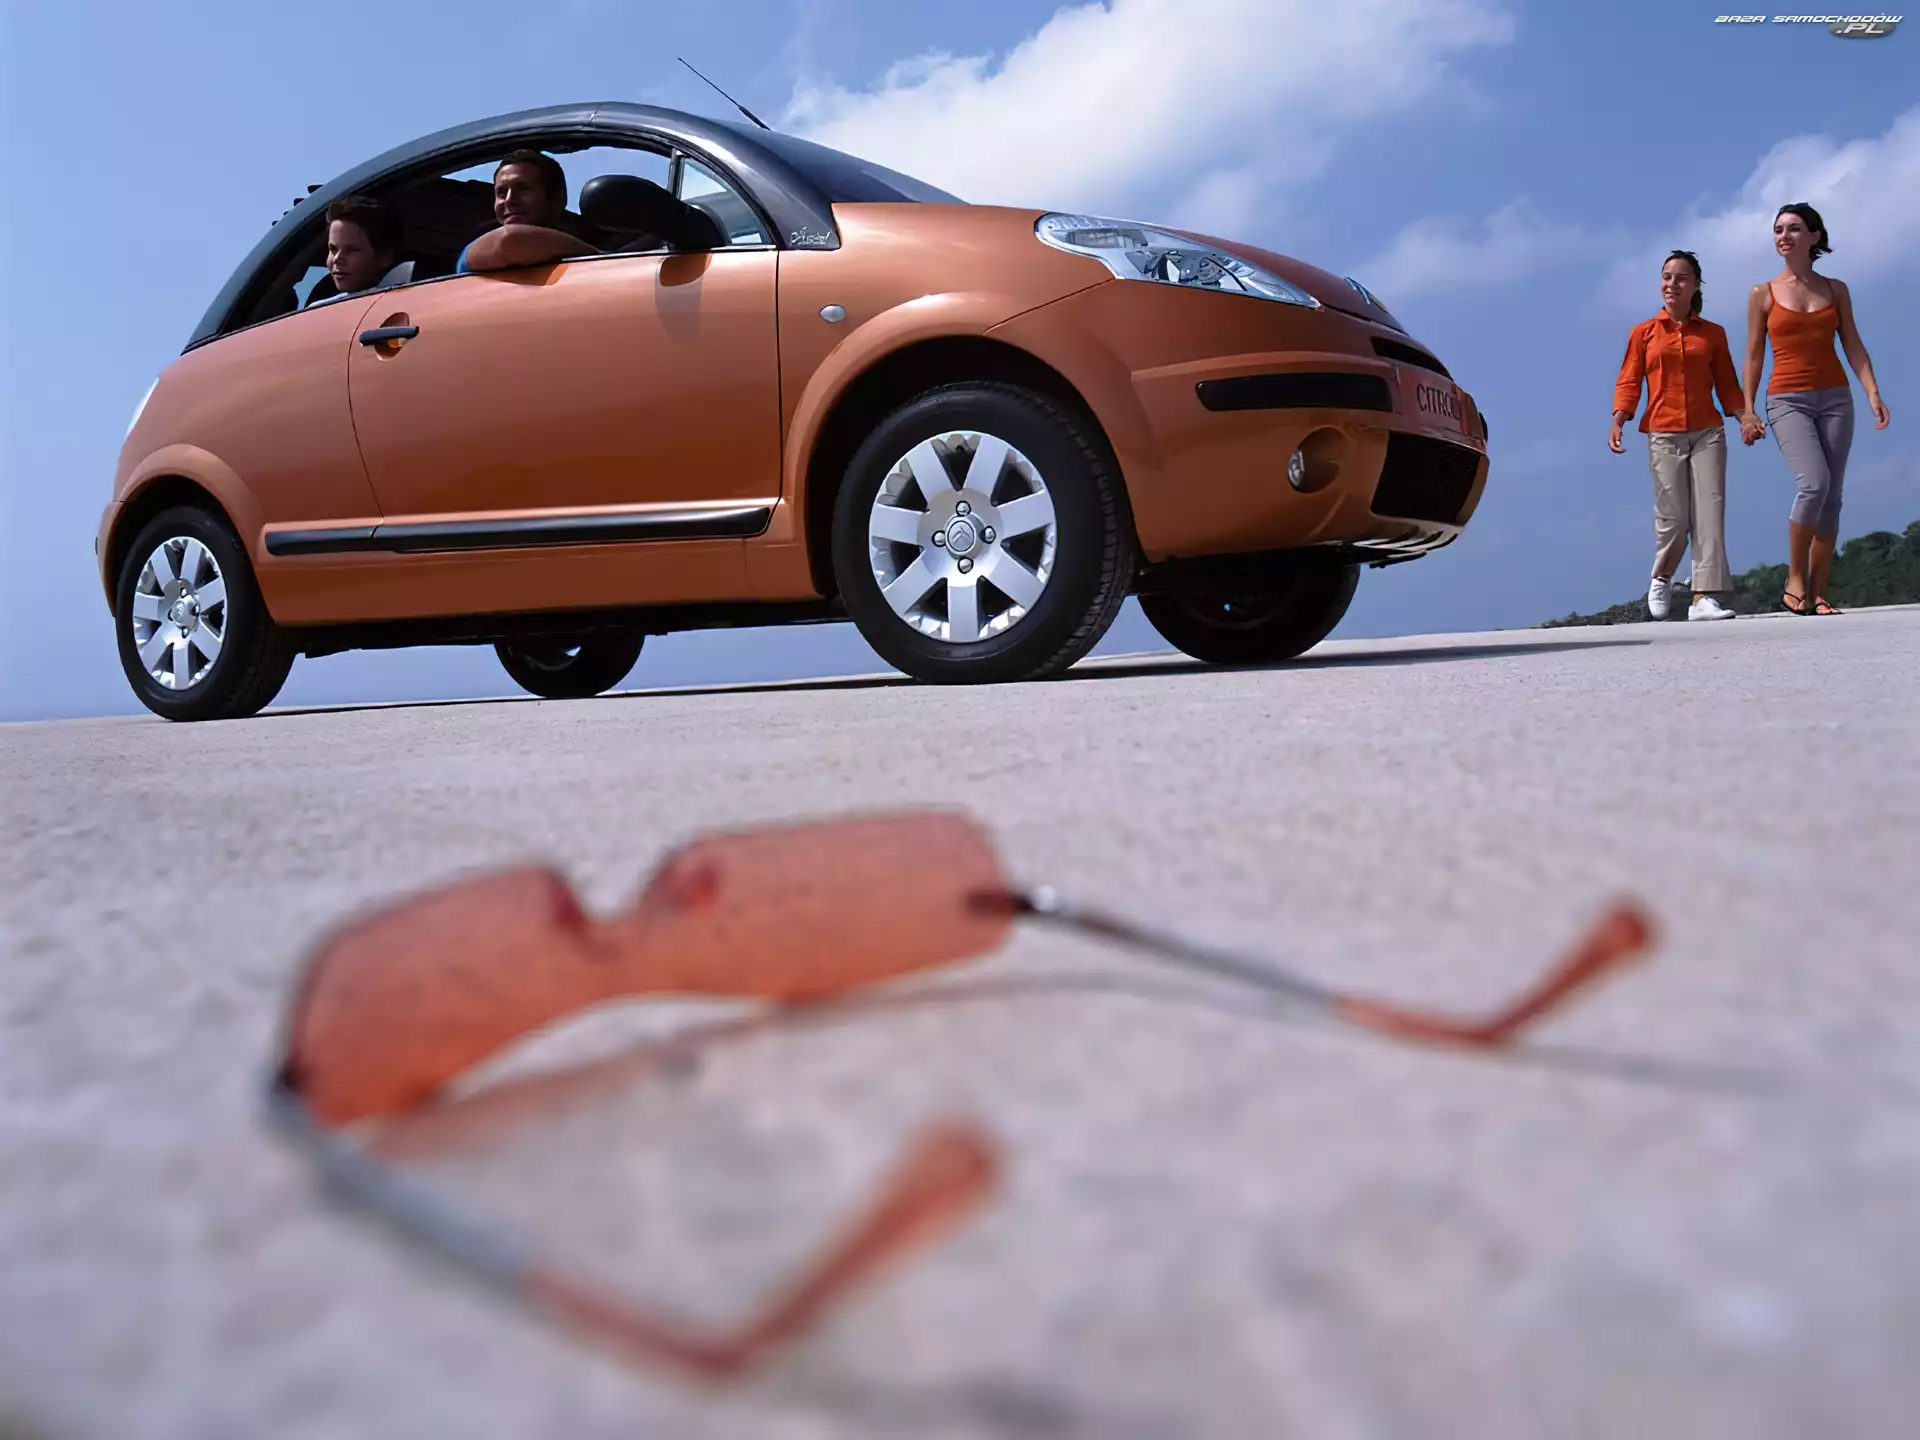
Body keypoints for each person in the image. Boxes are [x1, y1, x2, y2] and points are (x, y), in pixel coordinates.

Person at [1740, 202, 1891, 616]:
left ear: (1814, 237)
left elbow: (1853, 343)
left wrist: (1873, 392)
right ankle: (1795, 579)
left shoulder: (1836, 289)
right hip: (1786, 400)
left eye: (1793, 228)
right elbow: (1753, 355)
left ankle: (1818, 591)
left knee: (1832, 498)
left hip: (1836, 398)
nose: (1783, 236)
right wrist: (1748, 410)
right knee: (1814, 484)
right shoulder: (1762, 294)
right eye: (1778, 230)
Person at [1610, 250, 1745, 621]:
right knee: (1674, 518)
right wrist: (1620, 418)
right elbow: (1629, 379)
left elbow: (1727, 383)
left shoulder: (1713, 334)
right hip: (1663, 432)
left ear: (1696, 285)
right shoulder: (1644, 333)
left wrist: (1744, 416)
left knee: (1709, 513)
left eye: (1681, 278)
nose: (1672, 284)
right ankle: (1662, 576)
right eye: (1667, 277)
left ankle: (1703, 597)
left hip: (1707, 432)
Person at [456, 150, 596, 273]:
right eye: (501, 193)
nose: (509, 200)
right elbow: (512, 239)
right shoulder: (479, 245)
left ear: (557, 197)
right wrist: (599, 256)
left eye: (523, 189)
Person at [319, 195, 403, 299]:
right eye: (333, 249)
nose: (336, 259)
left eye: (351, 250)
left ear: (385, 257)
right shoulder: (324, 306)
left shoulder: (399, 301)